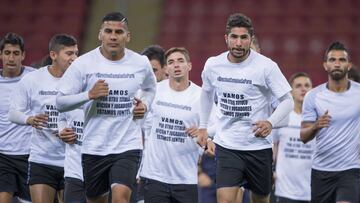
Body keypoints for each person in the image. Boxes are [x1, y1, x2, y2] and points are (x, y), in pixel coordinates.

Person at [55, 12, 157, 203]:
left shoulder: (140, 63)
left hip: (128, 145)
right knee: (96, 200)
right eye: (108, 31)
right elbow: (60, 103)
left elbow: (151, 88)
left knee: (121, 198)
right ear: (100, 34)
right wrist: (89, 95)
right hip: (94, 147)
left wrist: (145, 104)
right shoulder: (83, 64)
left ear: (128, 36)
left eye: (119, 32)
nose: (113, 36)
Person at [198, 13, 294, 203]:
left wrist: (270, 122)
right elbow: (207, 93)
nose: (239, 43)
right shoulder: (213, 65)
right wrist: (202, 126)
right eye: (234, 37)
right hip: (227, 146)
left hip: (258, 147)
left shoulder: (266, 67)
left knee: (260, 200)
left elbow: (287, 101)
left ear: (251, 39)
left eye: (244, 38)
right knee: (224, 200)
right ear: (226, 38)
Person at [8, 34, 78, 203]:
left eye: (76, 53)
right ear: (54, 55)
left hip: (72, 161)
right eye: (69, 54)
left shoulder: (82, 81)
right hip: (42, 159)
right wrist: (29, 119)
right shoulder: (33, 80)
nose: (74, 58)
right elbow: (13, 113)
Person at [139, 47, 202, 203]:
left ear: (189, 66)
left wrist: (203, 132)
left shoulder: (201, 96)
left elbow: (214, 127)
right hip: (154, 176)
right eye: (171, 62)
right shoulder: (153, 91)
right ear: (166, 69)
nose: (176, 65)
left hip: (185, 178)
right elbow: (137, 122)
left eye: (181, 61)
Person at [300, 42, 360, 203]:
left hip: (350, 170)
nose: (337, 63)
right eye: (332, 60)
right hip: (321, 171)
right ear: (325, 65)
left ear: (349, 65)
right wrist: (316, 125)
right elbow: (303, 136)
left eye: (342, 60)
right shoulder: (313, 96)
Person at [0, 33, 35, 203]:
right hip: (2, 155)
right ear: (1, 55)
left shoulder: (35, 78)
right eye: (7, 53)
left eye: (15, 53)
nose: (11, 58)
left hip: (30, 154)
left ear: (23, 55)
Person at [273, 72, 314, 203]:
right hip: (285, 189)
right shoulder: (282, 117)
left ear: (312, 90)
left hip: (313, 189)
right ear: (291, 92)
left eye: (307, 85)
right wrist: (271, 170)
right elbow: (273, 145)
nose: (303, 89)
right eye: (298, 86)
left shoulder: (319, 119)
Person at [58, 107, 86, 203]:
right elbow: (61, 117)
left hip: (101, 170)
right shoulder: (69, 93)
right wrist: (62, 130)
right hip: (74, 171)